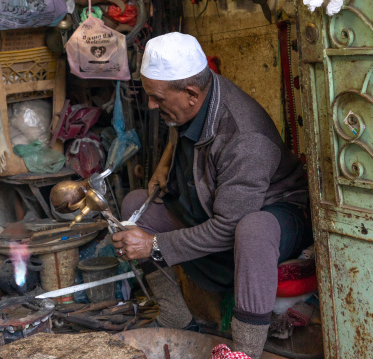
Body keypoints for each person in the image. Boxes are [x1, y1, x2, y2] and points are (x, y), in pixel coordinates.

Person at [111, 32, 311, 359]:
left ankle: (245, 351)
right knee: (136, 206)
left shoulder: (245, 139)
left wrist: (154, 245)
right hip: (218, 205)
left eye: (157, 98)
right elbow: (179, 127)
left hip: (275, 213)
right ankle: (176, 314)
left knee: (253, 230)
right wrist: (165, 163)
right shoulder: (200, 91)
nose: (151, 105)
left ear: (190, 93)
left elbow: (229, 226)